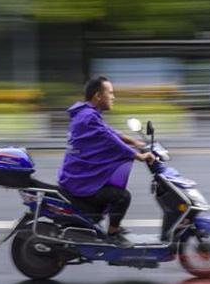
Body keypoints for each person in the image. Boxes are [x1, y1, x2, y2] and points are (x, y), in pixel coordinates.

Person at [58, 76, 156, 247]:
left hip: (78, 176)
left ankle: (113, 227)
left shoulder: (87, 114)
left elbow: (110, 132)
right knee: (122, 197)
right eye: (110, 93)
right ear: (98, 96)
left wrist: (135, 142)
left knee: (115, 191)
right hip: (80, 181)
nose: (113, 97)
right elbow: (109, 139)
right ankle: (113, 234)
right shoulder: (88, 117)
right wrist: (139, 155)